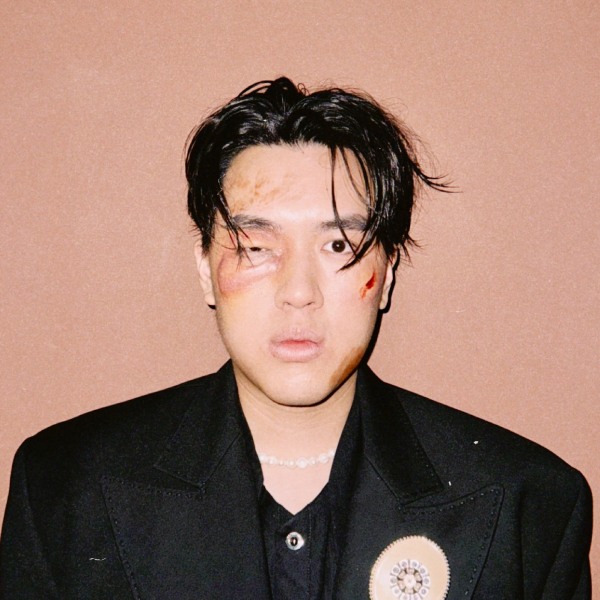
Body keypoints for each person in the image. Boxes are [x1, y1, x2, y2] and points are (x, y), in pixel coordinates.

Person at [0, 78, 592, 599]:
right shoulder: (64, 486)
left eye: (338, 246)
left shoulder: (529, 502)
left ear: (386, 273)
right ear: (205, 270)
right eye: (257, 247)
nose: (299, 292)